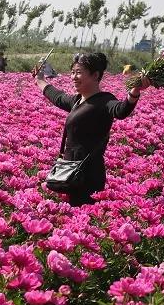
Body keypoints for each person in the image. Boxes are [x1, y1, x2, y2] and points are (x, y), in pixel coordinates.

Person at [34, 52, 149, 206]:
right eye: (73, 72)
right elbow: (57, 96)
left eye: (79, 73)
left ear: (95, 75)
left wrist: (134, 91)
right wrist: (40, 79)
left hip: (88, 175)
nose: (73, 77)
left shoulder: (105, 101)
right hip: (71, 172)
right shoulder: (77, 100)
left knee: (83, 220)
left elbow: (121, 110)